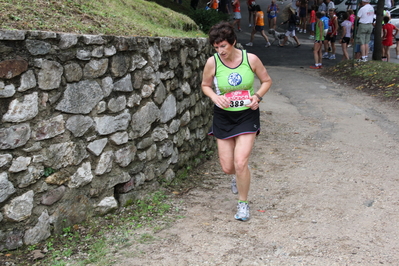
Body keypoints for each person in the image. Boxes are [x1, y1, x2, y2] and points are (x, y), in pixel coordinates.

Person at [201, 22, 272, 221]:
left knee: (240, 162)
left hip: (246, 115)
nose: (220, 51)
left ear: (233, 42)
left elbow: (267, 81)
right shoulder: (212, 62)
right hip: (223, 116)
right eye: (216, 47)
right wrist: (215, 97)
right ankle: (237, 176)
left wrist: (257, 97)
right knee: (228, 167)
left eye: (223, 46)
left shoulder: (251, 60)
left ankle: (243, 203)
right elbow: (205, 85)